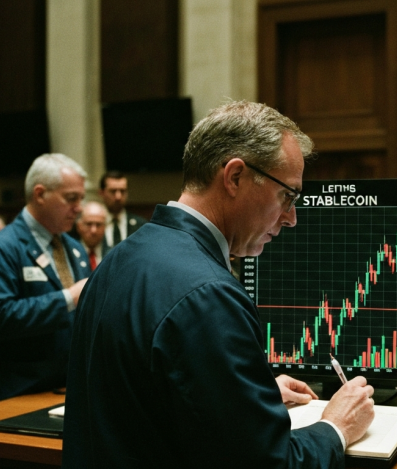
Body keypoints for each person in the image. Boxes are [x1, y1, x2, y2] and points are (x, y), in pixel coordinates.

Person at [62, 101, 375, 468]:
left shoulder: (122, 256)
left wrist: (238, 396)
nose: (291, 218)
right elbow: (268, 464)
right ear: (235, 177)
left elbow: (140, 401)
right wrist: (336, 427)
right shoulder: (209, 294)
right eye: (287, 196)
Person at [0, 153, 91, 404]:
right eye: (71, 198)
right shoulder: (1, 249)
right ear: (40, 194)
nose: (78, 208)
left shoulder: (74, 248)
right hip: (16, 392)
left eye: (80, 199)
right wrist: (68, 298)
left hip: (65, 387)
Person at [98, 170, 147, 254]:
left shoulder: (141, 225)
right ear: (101, 193)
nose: (118, 196)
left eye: (122, 191)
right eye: (113, 191)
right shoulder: (92, 225)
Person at [73, 201, 106, 271]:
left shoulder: (113, 254)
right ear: (79, 226)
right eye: (89, 224)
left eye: (98, 224)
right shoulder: (69, 253)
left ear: (104, 227)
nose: (94, 230)